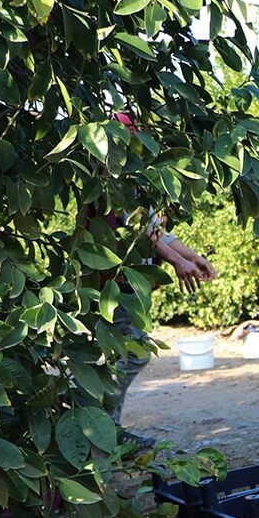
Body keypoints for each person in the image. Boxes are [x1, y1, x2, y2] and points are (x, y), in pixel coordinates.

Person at [91, 114, 218, 442]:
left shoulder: (136, 182)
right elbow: (139, 232)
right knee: (132, 353)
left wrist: (193, 257)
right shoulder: (108, 182)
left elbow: (157, 231)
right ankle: (103, 428)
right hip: (111, 286)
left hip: (131, 286)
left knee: (128, 354)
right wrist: (178, 262)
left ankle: (108, 428)